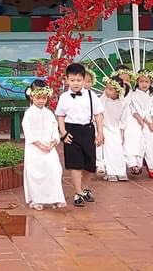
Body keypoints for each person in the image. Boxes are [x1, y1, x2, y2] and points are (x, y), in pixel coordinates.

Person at [56, 63, 104, 205]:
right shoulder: (64, 97)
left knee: (89, 163)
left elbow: (98, 115)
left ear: (84, 80)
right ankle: (78, 193)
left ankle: (85, 189)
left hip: (88, 130)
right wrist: (63, 133)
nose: (75, 83)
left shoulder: (91, 95)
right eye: (72, 80)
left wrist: (100, 133)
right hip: (71, 132)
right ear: (67, 80)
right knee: (75, 164)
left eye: (78, 80)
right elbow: (60, 116)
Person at [22, 79, 66, 209]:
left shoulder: (49, 113)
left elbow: (54, 128)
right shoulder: (28, 113)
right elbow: (28, 131)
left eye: (44, 98)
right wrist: (40, 145)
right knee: (35, 173)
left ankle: (55, 198)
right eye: (38, 98)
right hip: (34, 148)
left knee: (54, 170)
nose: (41, 101)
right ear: (32, 96)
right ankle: (37, 200)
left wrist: (53, 142)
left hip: (49, 147)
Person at [124, 71, 153, 177]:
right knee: (138, 141)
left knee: (151, 143)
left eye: (147, 82)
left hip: (151, 121)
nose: (144, 84)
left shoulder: (152, 94)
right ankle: (136, 164)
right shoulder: (134, 94)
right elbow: (134, 109)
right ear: (137, 82)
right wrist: (145, 121)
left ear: (151, 82)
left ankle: (152, 167)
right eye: (141, 81)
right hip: (139, 120)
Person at [97, 77, 129, 182]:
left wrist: (122, 133)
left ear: (118, 91)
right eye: (106, 88)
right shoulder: (103, 101)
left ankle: (120, 171)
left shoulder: (123, 103)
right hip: (104, 127)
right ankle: (110, 171)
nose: (107, 91)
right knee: (108, 148)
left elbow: (123, 119)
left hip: (116, 128)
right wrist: (100, 131)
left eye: (110, 89)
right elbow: (98, 115)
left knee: (118, 149)